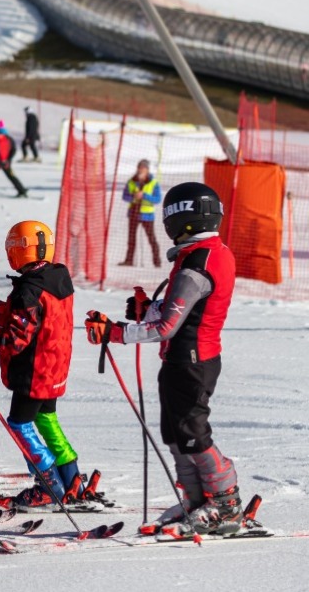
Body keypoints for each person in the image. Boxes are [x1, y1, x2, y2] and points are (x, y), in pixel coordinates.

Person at [85, 183, 244, 536]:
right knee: (174, 434)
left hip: (192, 361)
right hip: (183, 360)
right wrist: (148, 308)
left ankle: (225, 502)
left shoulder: (196, 264)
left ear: (180, 218)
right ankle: (196, 499)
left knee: (193, 434)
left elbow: (167, 326)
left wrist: (116, 332)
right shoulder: (207, 252)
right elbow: (185, 308)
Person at [0, 221, 95, 511]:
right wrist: (8, 313)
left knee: (20, 425)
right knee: (47, 421)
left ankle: (48, 486)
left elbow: (12, 341)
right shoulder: (58, 277)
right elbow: (42, 321)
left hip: (33, 372)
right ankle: (72, 479)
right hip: (54, 367)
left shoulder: (29, 292)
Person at [121, 159, 162, 267]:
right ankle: (129, 260)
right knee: (131, 239)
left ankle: (157, 262)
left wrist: (144, 195)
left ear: (147, 170)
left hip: (147, 216)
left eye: (143, 168)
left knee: (152, 239)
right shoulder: (131, 181)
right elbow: (125, 196)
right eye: (140, 167)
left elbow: (157, 199)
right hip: (133, 213)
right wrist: (133, 197)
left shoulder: (153, 183)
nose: (141, 170)